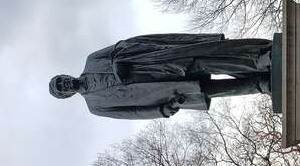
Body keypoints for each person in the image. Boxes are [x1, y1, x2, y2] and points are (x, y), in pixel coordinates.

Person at [49, 33, 271, 119]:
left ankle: (258, 60)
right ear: (66, 95)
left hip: (155, 66)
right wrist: (160, 111)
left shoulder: (92, 60)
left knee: (203, 63)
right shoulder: (96, 107)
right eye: (61, 88)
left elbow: (122, 45)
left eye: (60, 80)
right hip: (160, 93)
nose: (64, 84)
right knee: (211, 90)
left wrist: (118, 62)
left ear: (64, 74)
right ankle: (260, 84)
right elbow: (131, 113)